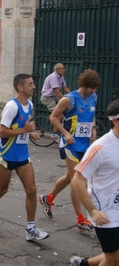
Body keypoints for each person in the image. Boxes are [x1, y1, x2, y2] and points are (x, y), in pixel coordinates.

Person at [0, 73, 50, 241]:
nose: (33, 87)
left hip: (22, 154)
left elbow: (20, 127)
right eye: (30, 84)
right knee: (2, 189)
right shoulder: (12, 106)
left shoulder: (30, 105)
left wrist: (31, 133)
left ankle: (30, 228)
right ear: (21, 87)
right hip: (6, 154)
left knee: (32, 190)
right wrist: (25, 130)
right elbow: (1, 132)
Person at [39, 69, 100, 233]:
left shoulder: (93, 97)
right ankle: (80, 219)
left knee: (70, 176)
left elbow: (92, 114)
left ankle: (48, 197)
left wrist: (93, 128)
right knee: (77, 180)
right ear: (83, 85)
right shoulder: (69, 100)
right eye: (91, 88)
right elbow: (53, 117)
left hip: (85, 145)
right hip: (70, 144)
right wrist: (65, 133)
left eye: (95, 88)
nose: (93, 91)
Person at [69, 99, 119, 266]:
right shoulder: (100, 147)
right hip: (104, 211)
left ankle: (83, 264)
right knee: (114, 259)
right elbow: (77, 180)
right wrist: (93, 211)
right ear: (115, 121)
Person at [40, 63, 71, 143]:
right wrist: (64, 99)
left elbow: (65, 87)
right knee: (59, 113)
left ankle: (56, 122)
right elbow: (57, 91)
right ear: (57, 70)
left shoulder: (61, 77)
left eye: (64, 68)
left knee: (64, 110)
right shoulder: (53, 77)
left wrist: (72, 96)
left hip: (53, 97)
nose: (64, 70)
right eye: (62, 68)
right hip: (47, 98)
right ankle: (54, 134)